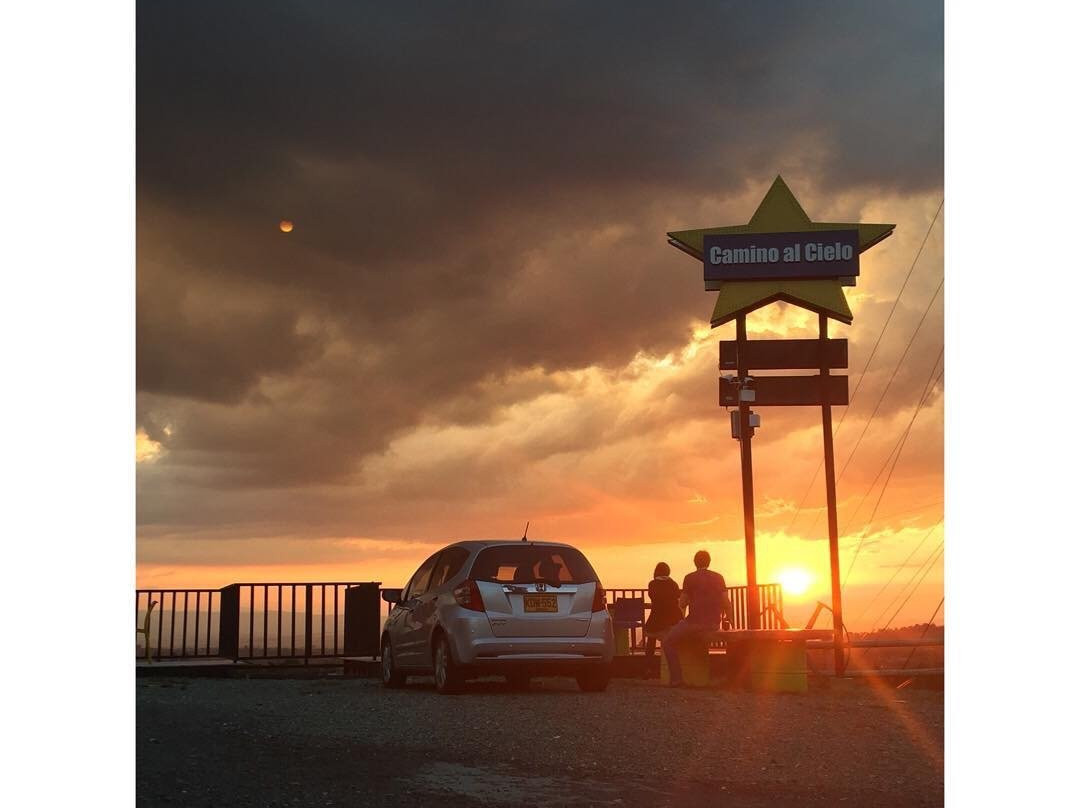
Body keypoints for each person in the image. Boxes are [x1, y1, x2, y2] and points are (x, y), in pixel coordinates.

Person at [663, 550, 730, 687]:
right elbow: (726, 603)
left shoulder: (689, 578)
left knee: (668, 642)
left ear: (695, 562)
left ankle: (677, 679)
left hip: (694, 623)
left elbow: (682, 603)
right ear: (709, 562)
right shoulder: (719, 577)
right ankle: (723, 676)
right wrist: (730, 621)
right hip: (714, 624)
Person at [644, 562, 681, 658]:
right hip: (673, 620)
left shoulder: (652, 584)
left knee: (651, 639)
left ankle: (648, 663)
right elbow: (678, 596)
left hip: (656, 620)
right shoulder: (673, 584)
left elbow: (652, 597)